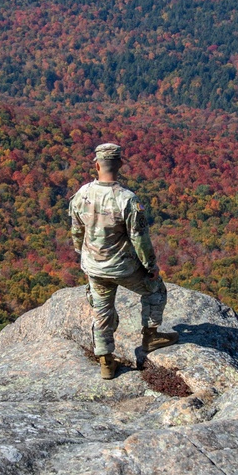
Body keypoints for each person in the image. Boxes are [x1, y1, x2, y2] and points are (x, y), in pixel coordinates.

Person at [69, 143, 178, 379]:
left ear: (97, 165)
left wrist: (83, 254)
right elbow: (140, 239)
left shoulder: (82, 194)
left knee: (102, 311)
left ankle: (106, 362)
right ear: (120, 164)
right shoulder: (127, 200)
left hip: (94, 268)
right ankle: (150, 337)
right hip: (123, 266)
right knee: (156, 290)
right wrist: (151, 267)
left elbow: (76, 231)